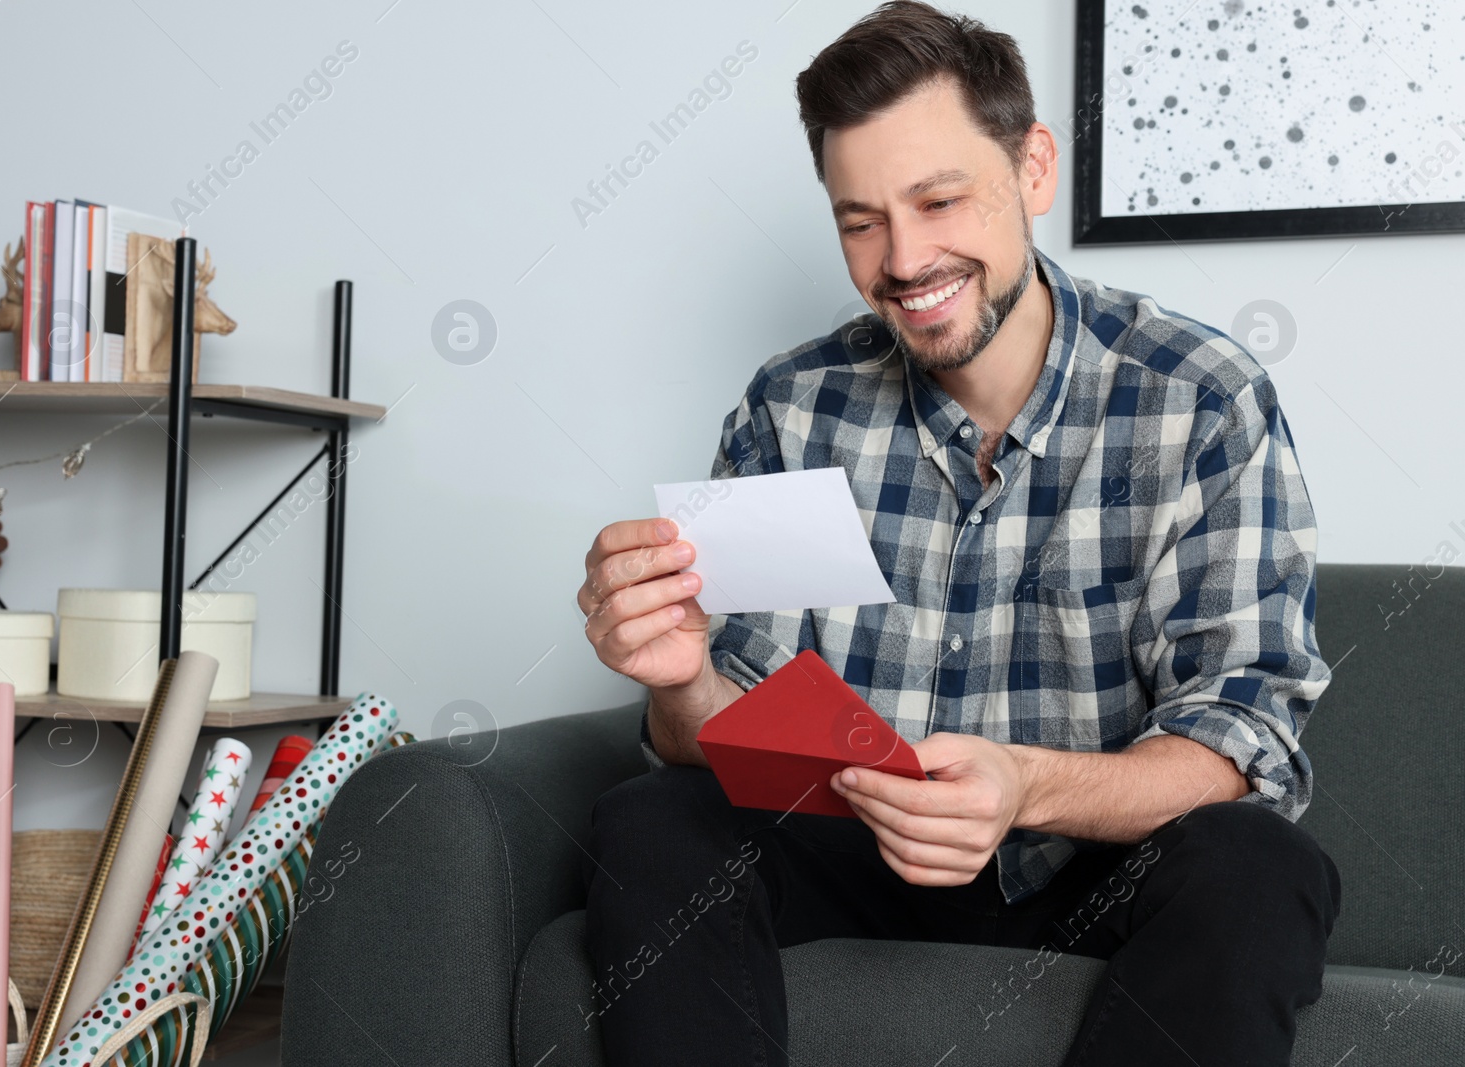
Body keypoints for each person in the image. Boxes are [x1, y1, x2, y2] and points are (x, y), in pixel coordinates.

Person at [574, 3, 1339, 1064]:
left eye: (939, 199)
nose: (903, 257)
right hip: (848, 847)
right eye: (860, 220)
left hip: (1083, 870)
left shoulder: (1197, 397)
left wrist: (1025, 784)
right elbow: (722, 738)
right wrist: (678, 677)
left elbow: (1237, 739)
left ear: (1032, 168)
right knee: (652, 816)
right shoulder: (794, 406)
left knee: (1258, 860)